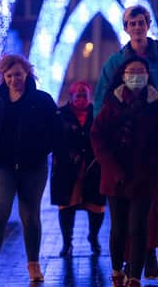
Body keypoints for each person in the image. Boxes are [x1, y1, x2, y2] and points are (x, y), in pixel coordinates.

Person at [93, 4, 158, 277]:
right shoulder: (115, 62)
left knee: (156, 202)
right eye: (132, 23)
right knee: (123, 211)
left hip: (153, 145)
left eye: (141, 22)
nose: (137, 27)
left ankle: (148, 251)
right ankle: (128, 260)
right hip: (122, 147)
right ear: (126, 28)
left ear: (148, 25)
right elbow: (101, 100)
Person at [0, 54, 61, 285]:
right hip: (1, 166)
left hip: (33, 167)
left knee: (30, 216)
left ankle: (33, 264)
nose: (14, 80)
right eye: (9, 75)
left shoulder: (42, 100)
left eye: (18, 75)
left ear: (27, 74)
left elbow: (57, 131)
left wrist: (42, 149)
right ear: (3, 77)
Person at [91, 56, 158, 287]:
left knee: (139, 227)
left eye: (140, 71)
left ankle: (135, 277)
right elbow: (98, 137)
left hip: (144, 178)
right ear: (123, 74)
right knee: (118, 228)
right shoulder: (111, 105)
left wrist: (150, 166)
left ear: (148, 75)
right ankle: (117, 271)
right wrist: (113, 168)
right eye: (131, 71)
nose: (136, 76)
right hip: (115, 177)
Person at [50, 81, 105, 257]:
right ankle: (67, 243)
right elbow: (54, 139)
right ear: (71, 95)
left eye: (84, 94)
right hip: (67, 169)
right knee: (66, 206)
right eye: (78, 94)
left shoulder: (98, 114)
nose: (81, 98)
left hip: (93, 168)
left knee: (96, 206)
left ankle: (93, 238)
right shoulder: (60, 114)